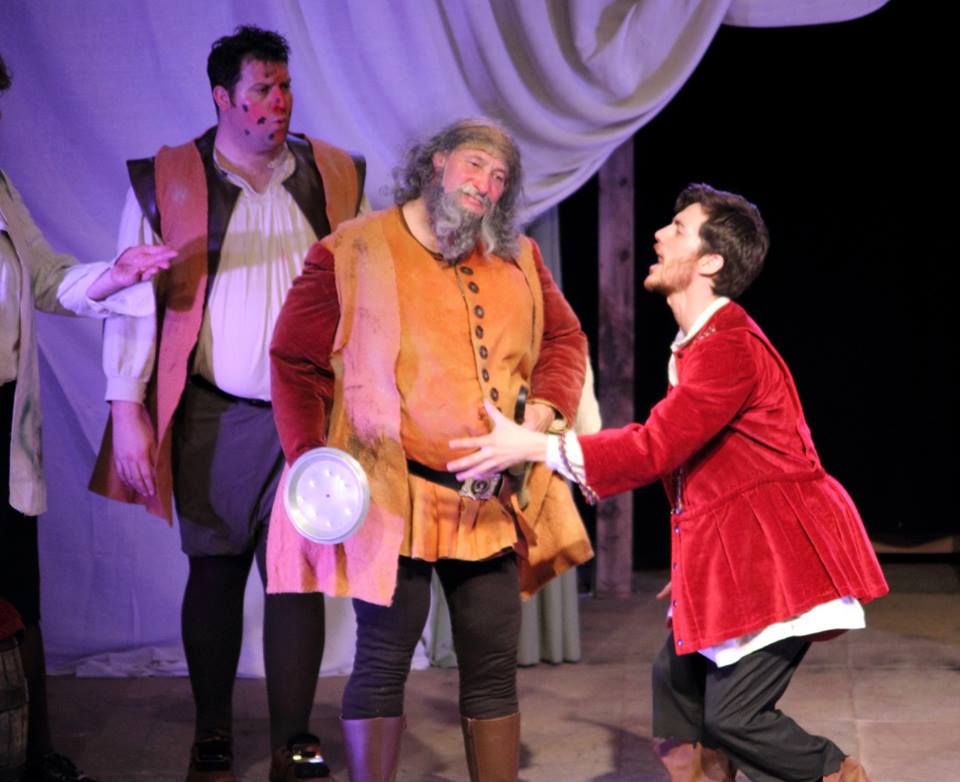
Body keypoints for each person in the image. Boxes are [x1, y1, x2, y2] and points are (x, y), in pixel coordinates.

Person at [448, 183, 889, 782]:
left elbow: (655, 448)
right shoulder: (698, 345)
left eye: (678, 229)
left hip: (782, 557)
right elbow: (701, 473)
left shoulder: (729, 345)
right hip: (743, 551)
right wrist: (693, 567)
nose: (658, 235)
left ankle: (838, 775)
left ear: (710, 262)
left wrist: (534, 446)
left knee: (733, 717)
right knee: (677, 689)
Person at [267, 118, 593, 782]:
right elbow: (295, 361)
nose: (485, 185)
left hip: (489, 503)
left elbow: (565, 339)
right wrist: (312, 459)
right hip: (397, 498)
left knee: (493, 666)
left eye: (499, 177)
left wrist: (541, 413)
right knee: (383, 659)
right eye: (474, 165)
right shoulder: (351, 249)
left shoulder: (519, 256)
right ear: (437, 163)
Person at [88, 26, 365, 782]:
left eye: (285, 87)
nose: (278, 103)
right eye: (260, 91)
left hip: (307, 415)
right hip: (214, 411)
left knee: (296, 576)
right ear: (222, 98)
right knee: (214, 570)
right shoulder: (169, 178)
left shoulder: (332, 174)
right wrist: (126, 409)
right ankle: (212, 731)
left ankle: (293, 739)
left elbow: (367, 286)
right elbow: (132, 300)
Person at [1, 52, 174, 782]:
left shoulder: (0, 187)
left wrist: (115, 274)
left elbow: (44, 277)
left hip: (5, 420)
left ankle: (32, 755)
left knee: (16, 589)